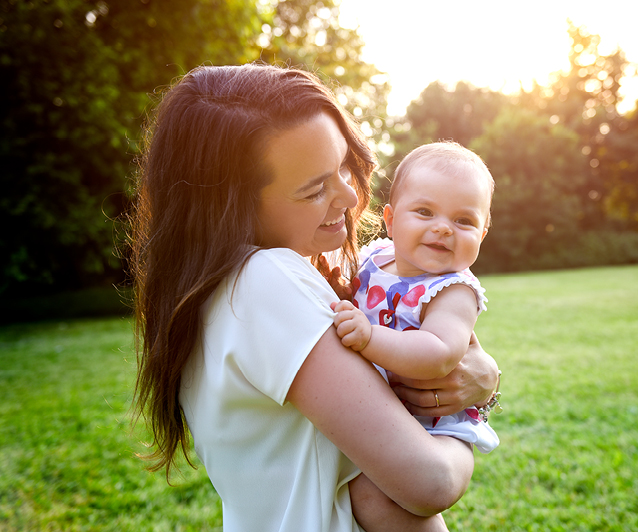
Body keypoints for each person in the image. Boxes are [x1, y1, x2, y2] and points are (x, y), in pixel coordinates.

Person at [130, 63, 501, 532]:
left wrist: (480, 381)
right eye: (314, 189)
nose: (348, 196)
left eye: (343, 165)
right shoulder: (264, 281)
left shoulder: (213, 287)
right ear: (233, 208)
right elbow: (429, 483)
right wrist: (465, 426)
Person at [331, 142, 501, 455]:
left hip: (427, 427)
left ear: (482, 235)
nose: (443, 228)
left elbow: (439, 353)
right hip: (371, 409)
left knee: (388, 499)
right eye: (425, 212)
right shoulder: (372, 258)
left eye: (463, 220)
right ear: (391, 220)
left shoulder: (454, 290)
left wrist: (369, 337)